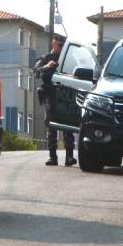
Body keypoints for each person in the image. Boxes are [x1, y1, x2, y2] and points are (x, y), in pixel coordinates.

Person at [36, 34, 76, 167]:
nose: (61, 48)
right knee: (51, 127)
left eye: (63, 45)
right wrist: (47, 66)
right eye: (59, 45)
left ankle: (69, 156)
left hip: (65, 96)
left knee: (67, 126)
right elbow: (36, 70)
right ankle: (52, 156)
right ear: (54, 44)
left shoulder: (69, 58)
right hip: (51, 96)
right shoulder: (47, 58)